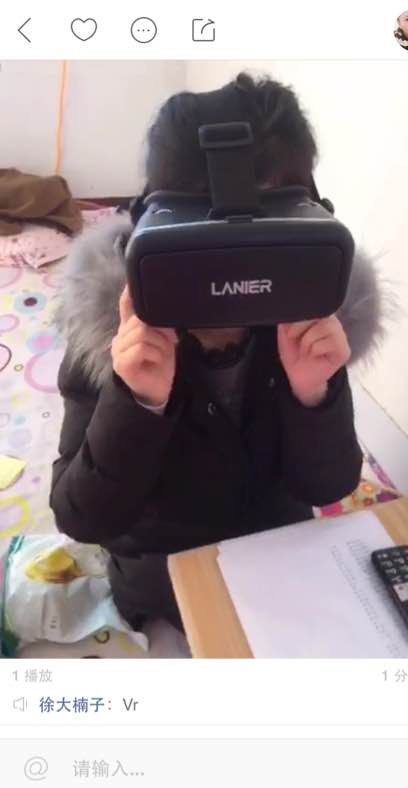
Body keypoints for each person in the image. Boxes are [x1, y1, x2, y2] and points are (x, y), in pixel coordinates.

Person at [50, 72, 389, 632]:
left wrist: (313, 395)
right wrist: (137, 400)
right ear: (155, 225)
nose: (237, 272)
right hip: (165, 576)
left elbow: (328, 487)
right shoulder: (116, 330)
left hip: (282, 556)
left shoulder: (303, 316)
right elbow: (80, 516)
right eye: (212, 243)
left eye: (266, 233)